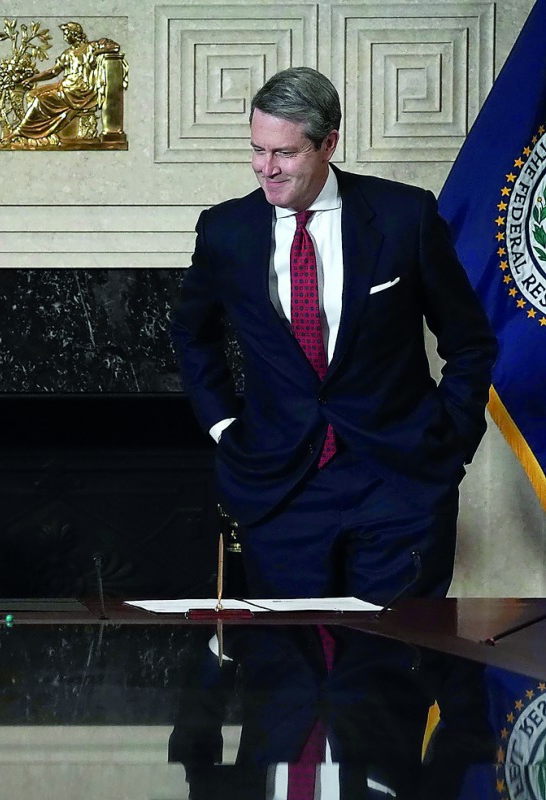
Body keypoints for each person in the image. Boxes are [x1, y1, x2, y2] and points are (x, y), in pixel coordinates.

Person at [169, 67, 496, 601]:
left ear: (328, 144)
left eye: (284, 154)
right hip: (280, 485)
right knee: (290, 673)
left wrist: (451, 436)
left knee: (392, 669)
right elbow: (191, 333)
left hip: (396, 479)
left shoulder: (404, 216)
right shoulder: (225, 230)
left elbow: (469, 340)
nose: (264, 169)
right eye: (257, 150)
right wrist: (224, 426)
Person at [3, 22, 122, 143]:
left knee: (40, 100)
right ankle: (38, 131)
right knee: (33, 94)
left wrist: (100, 48)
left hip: (80, 91)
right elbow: (53, 72)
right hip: (66, 86)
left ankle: (19, 131)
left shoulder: (91, 47)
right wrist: (33, 79)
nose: (65, 37)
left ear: (74, 34)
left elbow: (115, 47)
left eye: (66, 34)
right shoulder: (67, 54)